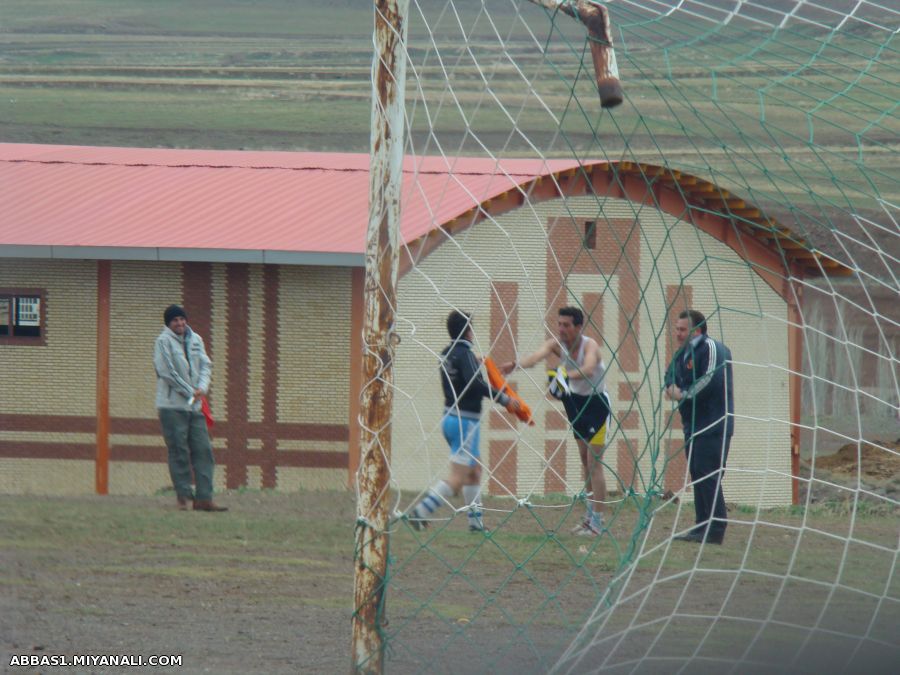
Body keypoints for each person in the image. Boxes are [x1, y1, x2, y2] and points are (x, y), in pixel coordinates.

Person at [501, 306, 611, 537]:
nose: (561, 329)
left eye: (566, 325)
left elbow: (589, 368)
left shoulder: (589, 346)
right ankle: (589, 518)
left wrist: (564, 376)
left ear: (578, 327)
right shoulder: (556, 344)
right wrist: (515, 364)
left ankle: (598, 523)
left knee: (594, 462)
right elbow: (535, 357)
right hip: (575, 404)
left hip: (596, 405)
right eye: (559, 324)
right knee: (584, 460)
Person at [409, 311, 520, 533]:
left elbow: (461, 375)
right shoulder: (465, 354)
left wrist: (475, 363)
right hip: (465, 423)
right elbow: (474, 384)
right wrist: (505, 398)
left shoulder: (446, 353)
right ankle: (420, 512)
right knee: (458, 478)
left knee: (474, 471)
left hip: (450, 418)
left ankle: (476, 523)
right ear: (468, 331)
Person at [665, 309, 734, 544]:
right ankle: (702, 524)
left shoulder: (713, 349)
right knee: (697, 472)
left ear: (698, 330)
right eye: (677, 329)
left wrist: (682, 394)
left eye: (683, 329)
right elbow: (669, 375)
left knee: (708, 472)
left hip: (713, 423)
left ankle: (715, 528)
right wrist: (670, 387)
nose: (678, 334)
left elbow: (710, 380)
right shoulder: (683, 354)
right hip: (692, 424)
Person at [154, 304, 226, 512]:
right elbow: (166, 372)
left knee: (203, 450)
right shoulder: (163, 342)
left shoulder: (196, 340)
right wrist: (189, 391)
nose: (180, 323)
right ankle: (183, 497)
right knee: (179, 451)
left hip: (195, 408)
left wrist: (202, 388)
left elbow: (205, 366)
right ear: (169, 323)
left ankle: (204, 498)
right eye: (175, 320)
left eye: (182, 319)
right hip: (172, 407)